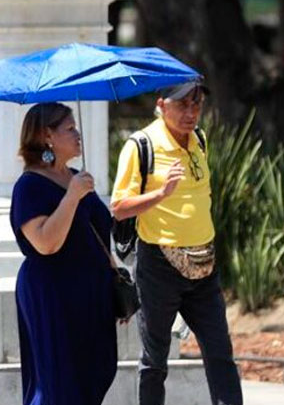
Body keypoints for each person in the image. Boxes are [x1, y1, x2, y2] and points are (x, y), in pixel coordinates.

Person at [111, 82, 241, 405]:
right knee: (155, 361)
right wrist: (160, 194)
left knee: (220, 353)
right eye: (182, 104)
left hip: (204, 266)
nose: (191, 113)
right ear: (161, 104)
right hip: (158, 266)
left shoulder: (200, 140)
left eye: (196, 105)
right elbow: (119, 207)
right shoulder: (141, 145)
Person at [9, 103, 117, 405]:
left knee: (91, 378)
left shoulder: (75, 176)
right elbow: (46, 243)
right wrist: (71, 196)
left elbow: (99, 232)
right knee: (56, 386)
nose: (78, 134)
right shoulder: (29, 186)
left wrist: (114, 285)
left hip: (92, 295)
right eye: (70, 129)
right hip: (52, 295)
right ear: (47, 136)